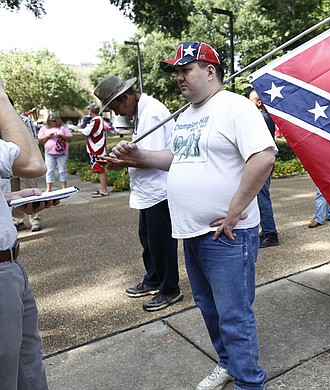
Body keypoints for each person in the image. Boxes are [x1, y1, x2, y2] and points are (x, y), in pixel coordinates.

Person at [112, 41, 276, 390]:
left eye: (185, 70)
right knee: (209, 307)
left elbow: (263, 157)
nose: (179, 78)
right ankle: (228, 363)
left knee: (234, 315)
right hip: (191, 231)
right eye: (176, 72)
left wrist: (235, 211)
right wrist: (136, 155)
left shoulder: (235, 108)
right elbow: (176, 159)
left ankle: (250, 382)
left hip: (228, 235)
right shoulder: (186, 114)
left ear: (210, 71)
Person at [94, 75, 182, 312]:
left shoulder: (151, 113)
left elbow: (150, 157)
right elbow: (140, 153)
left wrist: (120, 163)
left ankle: (170, 289)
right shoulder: (141, 112)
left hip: (158, 190)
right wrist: (120, 159)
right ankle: (154, 279)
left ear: (126, 97)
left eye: (116, 107)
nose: (118, 113)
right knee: (148, 239)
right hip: (148, 191)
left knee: (161, 242)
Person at [0, 76, 56, 390]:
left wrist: (9, 199)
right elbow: (34, 162)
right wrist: (1, 97)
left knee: (27, 365)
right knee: (10, 373)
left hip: (10, 265)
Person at [246, 87, 279, 248]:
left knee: (262, 198)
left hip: (262, 163)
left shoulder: (262, 117)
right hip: (262, 162)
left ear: (259, 103)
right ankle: (266, 230)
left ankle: (270, 233)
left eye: (250, 101)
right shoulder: (264, 117)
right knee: (260, 197)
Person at [8, 95, 44, 232]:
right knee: (14, 192)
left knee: (31, 191)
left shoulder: (24, 121)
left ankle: (36, 220)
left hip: (26, 162)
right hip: (9, 165)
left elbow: (34, 141)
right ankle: (17, 221)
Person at [38, 112, 72, 193]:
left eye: (54, 121)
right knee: (49, 171)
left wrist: (61, 135)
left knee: (62, 170)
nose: (52, 122)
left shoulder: (63, 127)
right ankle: (49, 189)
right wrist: (47, 136)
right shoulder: (44, 128)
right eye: (51, 121)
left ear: (58, 120)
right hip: (49, 153)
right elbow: (40, 140)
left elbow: (69, 138)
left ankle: (64, 188)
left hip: (62, 153)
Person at [80, 103, 109, 197]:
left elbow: (85, 132)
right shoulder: (99, 119)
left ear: (91, 111)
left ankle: (104, 190)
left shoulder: (95, 120)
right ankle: (103, 188)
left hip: (96, 148)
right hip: (98, 148)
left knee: (100, 169)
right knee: (100, 168)